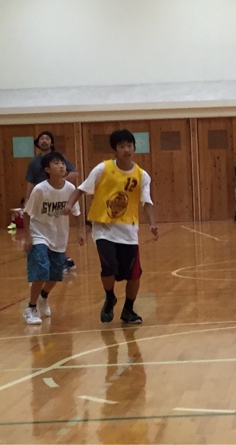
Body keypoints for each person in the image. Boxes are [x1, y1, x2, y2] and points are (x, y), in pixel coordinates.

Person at [64, 130, 159, 325]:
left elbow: (147, 202)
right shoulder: (103, 169)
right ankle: (110, 297)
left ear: (134, 148)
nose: (126, 149)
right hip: (103, 229)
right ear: (115, 150)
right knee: (109, 266)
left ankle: (128, 310)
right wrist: (69, 204)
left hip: (128, 231)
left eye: (129, 145)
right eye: (122, 146)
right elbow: (81, 190)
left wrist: (152, 223)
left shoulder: (142, 175)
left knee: (134, 274)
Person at [22, 152, 83, 325]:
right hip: (39, 233)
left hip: (59, 236)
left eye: (62, 163)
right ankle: (31, 308)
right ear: (47, 169)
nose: (62, 166)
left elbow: (77, 213)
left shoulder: (70, 189)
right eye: (56, 163)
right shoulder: (40, 189)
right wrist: (28, 237)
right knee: (42, 269)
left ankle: (43, 296)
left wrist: (80, 231)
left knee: (56, 275)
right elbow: (26, 214)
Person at [25, 131, 79, 272]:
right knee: (43, 230)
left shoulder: (59, 158)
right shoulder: (34, 162)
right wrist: (27, 198)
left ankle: (63, 259)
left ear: (52, 142)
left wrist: (58, 180)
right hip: (41, 200)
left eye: (47, 138)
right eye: (41, 138)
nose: (44, 141)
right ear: (38, 142)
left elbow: (74, 173)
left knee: (57, 229)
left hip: (56, 198)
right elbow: (30, 181)